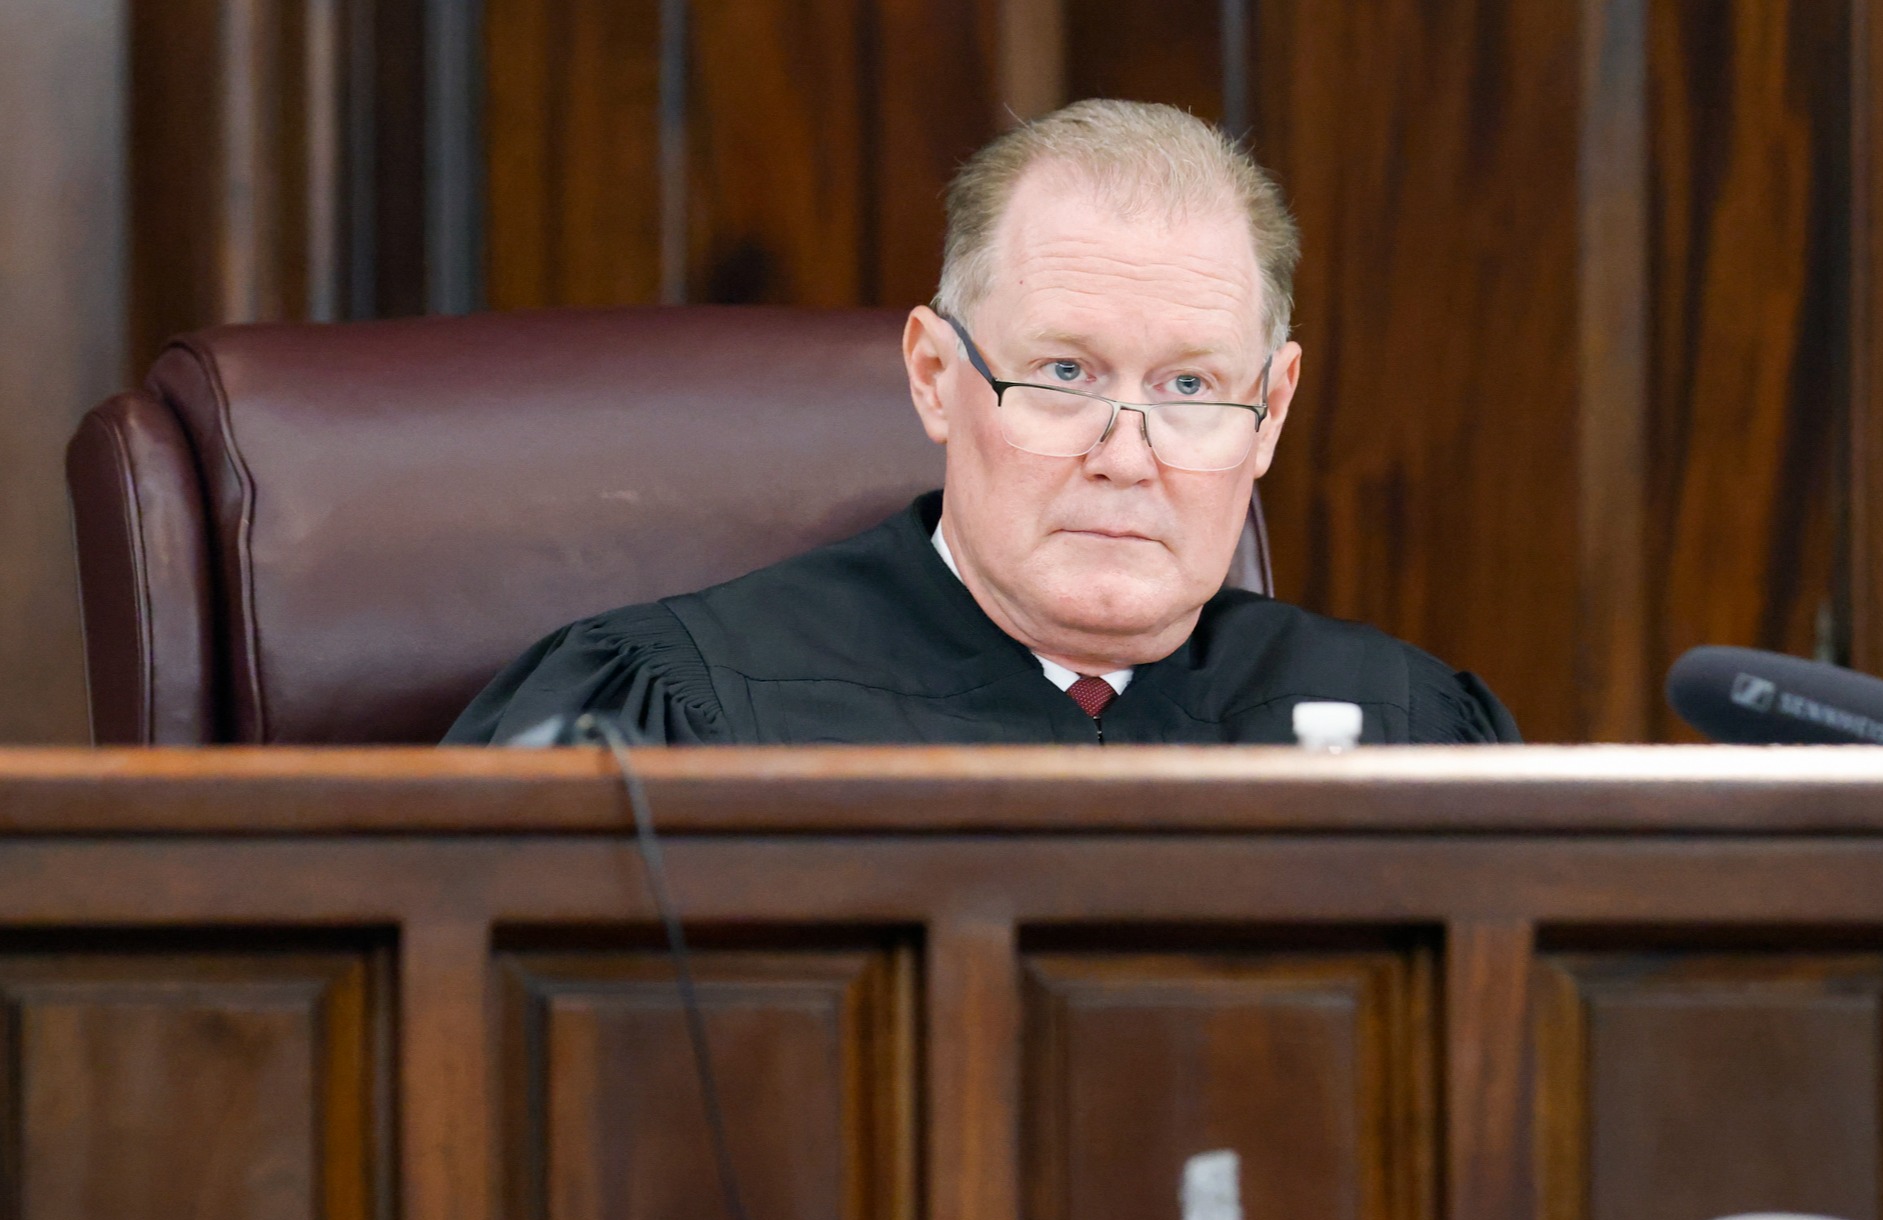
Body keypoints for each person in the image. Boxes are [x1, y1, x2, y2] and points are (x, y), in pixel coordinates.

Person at [446, 100, 1517, 746]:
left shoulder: (1413, 734)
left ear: (1270, 411)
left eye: (1190, 388)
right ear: (933, 376)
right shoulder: (669, 715)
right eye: (1064, 373)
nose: (1126, 457)